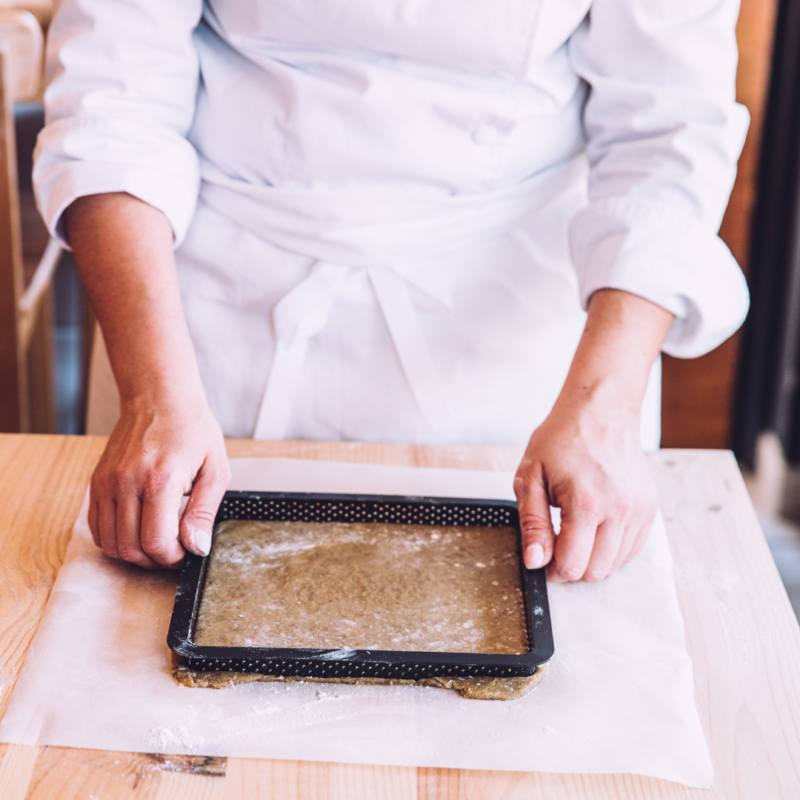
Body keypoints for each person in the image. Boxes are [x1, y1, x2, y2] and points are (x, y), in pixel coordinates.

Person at [35, 0, 750, 581]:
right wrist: (155, 393)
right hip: (202, 328)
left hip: (523, 347)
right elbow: (114, 100)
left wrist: (606, 408)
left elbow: (666, 130)